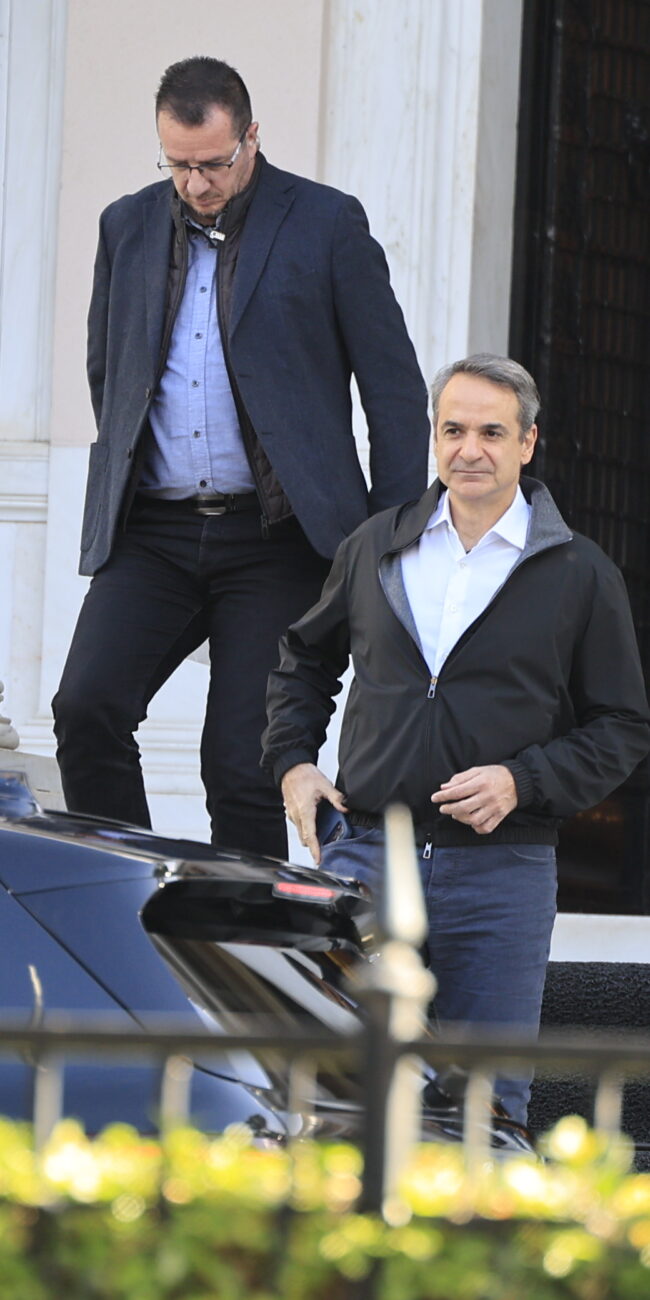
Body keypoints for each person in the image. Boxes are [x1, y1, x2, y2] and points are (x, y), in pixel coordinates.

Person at [52, 57, 429, 857]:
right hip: (152, 532)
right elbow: (108, 374)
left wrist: (388, 537)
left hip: (278, 541)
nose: (196, 183)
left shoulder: (327, 223)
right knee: (85, 709)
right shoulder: (125, 226)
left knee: (243, 762)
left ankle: (241, 932)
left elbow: (395, 392)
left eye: (213, 163)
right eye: (178, 164)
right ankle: (126, 899)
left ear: (251, 137)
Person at [262, 353, 650, 1123]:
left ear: (528, 443)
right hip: (368, 857)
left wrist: (522, 781)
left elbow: (622, 726)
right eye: (453, 430)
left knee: (488, 1100)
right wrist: (293, 763)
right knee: (339, 1087)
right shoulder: (376, 546)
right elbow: (303, 659)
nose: (470, 449)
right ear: (434, 438)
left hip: (501, 874)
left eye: (492, 433)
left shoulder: (580, 572)